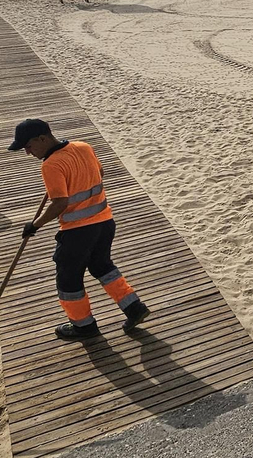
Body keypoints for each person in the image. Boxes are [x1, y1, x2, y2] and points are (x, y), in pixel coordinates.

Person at [9, 118, 150, 340]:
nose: (28, 153)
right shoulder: (83, 147)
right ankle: (134, 308)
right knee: (102, 267)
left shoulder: (51, 165)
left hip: (78, 233)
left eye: (28, 146)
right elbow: (100, 173)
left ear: (42, 139)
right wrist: (73, 180)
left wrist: (34, 225)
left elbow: (60, 203)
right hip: (105, 223)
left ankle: (84, 326)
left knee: (68, 279)